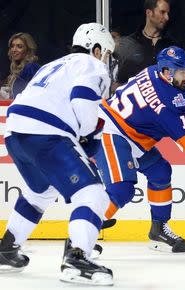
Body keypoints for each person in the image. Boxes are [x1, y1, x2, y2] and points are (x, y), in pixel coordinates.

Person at [0, 23, 116, 285]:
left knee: (40, 192)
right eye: (105, 52)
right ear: (95, 49)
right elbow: (83, 101)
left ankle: (6, 247)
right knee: (92, 193)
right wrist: (90, 131)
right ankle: (78, 258)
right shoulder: (92, 64)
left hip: (15, 130)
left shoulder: (53, 65)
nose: (106, 59)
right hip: (46, 132)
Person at [95, 46, 185, 251]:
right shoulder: (166, 100)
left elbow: (179, 111)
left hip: (131, 134)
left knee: (160, 172)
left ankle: (158, 230)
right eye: (181, 73)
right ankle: (81, 237)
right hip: (110, 131)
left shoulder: (154, 71)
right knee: (121, 189)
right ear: (167, 73)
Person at [114, 0, 178, 87]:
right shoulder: (129, 44)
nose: (167, 17)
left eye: (167, 13)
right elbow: (118, 83)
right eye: (162, 12)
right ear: (149, 13)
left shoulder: (172, 46)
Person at [1, 33, 40, 100]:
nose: (14, 50)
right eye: (12, 46)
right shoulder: (19, 69)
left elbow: (36, 93)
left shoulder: (31, 67)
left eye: (19, 46)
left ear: (28, 49)